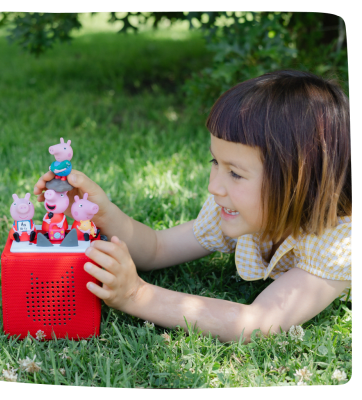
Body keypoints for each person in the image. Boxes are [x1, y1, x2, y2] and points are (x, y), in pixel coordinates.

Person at [34, 70, 352, 343]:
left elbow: (258, 323)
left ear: (298, 183)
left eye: (236, 173)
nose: (214, 186)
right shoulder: (238, 209)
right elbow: (157, 248)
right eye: (216, 162)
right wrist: (102, 211)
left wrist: (137, 295)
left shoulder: (339, 243)